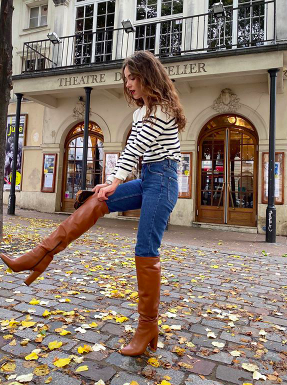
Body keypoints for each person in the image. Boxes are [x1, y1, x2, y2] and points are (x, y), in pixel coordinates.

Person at [1, 50, 186, 356]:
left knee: (145, 249)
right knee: (96, 201)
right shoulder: (141, 112)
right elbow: (132, 147)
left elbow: (137, 146)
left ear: (147, 76)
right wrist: (110, 183)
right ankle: (39, 254)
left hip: (163, 179)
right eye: (125, 79)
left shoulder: (162, 108)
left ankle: (147, 326)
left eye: (132, 77)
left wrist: (114, 179)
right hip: (149, 177)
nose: (127, 84)